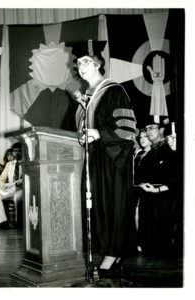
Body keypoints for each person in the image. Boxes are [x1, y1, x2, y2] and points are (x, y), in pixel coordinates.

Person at [72, 40, 137, 274]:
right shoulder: (87, 98)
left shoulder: (113, 91)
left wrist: (99, 133)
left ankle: (113, 253)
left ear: (99, 64)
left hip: (112, 160)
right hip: (94, 159)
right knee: (98, 207)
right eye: (78, 63)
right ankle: (110, 251)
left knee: (112, 206)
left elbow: (127, 129)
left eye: (86, 61)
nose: (81, 66)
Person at [137, 117, 177, 258]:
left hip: (163, 200)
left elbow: (176, 177)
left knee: (162, 249)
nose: (148, 132)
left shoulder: (169, 149)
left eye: (152, 128)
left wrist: (158, 190)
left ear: (161, 130)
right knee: (149, 247)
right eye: (146, 129)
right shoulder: (150, 153)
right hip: (148, 199)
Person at [0, 142, 23, 230]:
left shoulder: (26, 164)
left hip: (22, 189)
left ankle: (19, 222)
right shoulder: (9, 164)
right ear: (12, 152)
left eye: (19, 151)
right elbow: (1, 178)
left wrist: (17, 182)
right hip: (10, 189)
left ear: (23, 152)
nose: (17, 153)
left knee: (18, 197)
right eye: (15, 151)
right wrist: (3, 185)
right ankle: (3, 222)